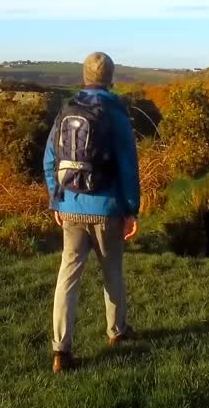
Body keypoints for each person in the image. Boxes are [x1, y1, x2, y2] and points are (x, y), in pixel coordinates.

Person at [44, 51, 140, 373]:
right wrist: (131, 209)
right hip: (107, 208)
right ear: (111, 78)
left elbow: (49, 160)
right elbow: (128, 166)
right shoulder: (115, 113)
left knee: (67, 277)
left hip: (70, 205)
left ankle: (61, 350)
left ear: (84, 77)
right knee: (112, 272)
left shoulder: (66, 111)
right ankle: (117, 332)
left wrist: (56, 199)